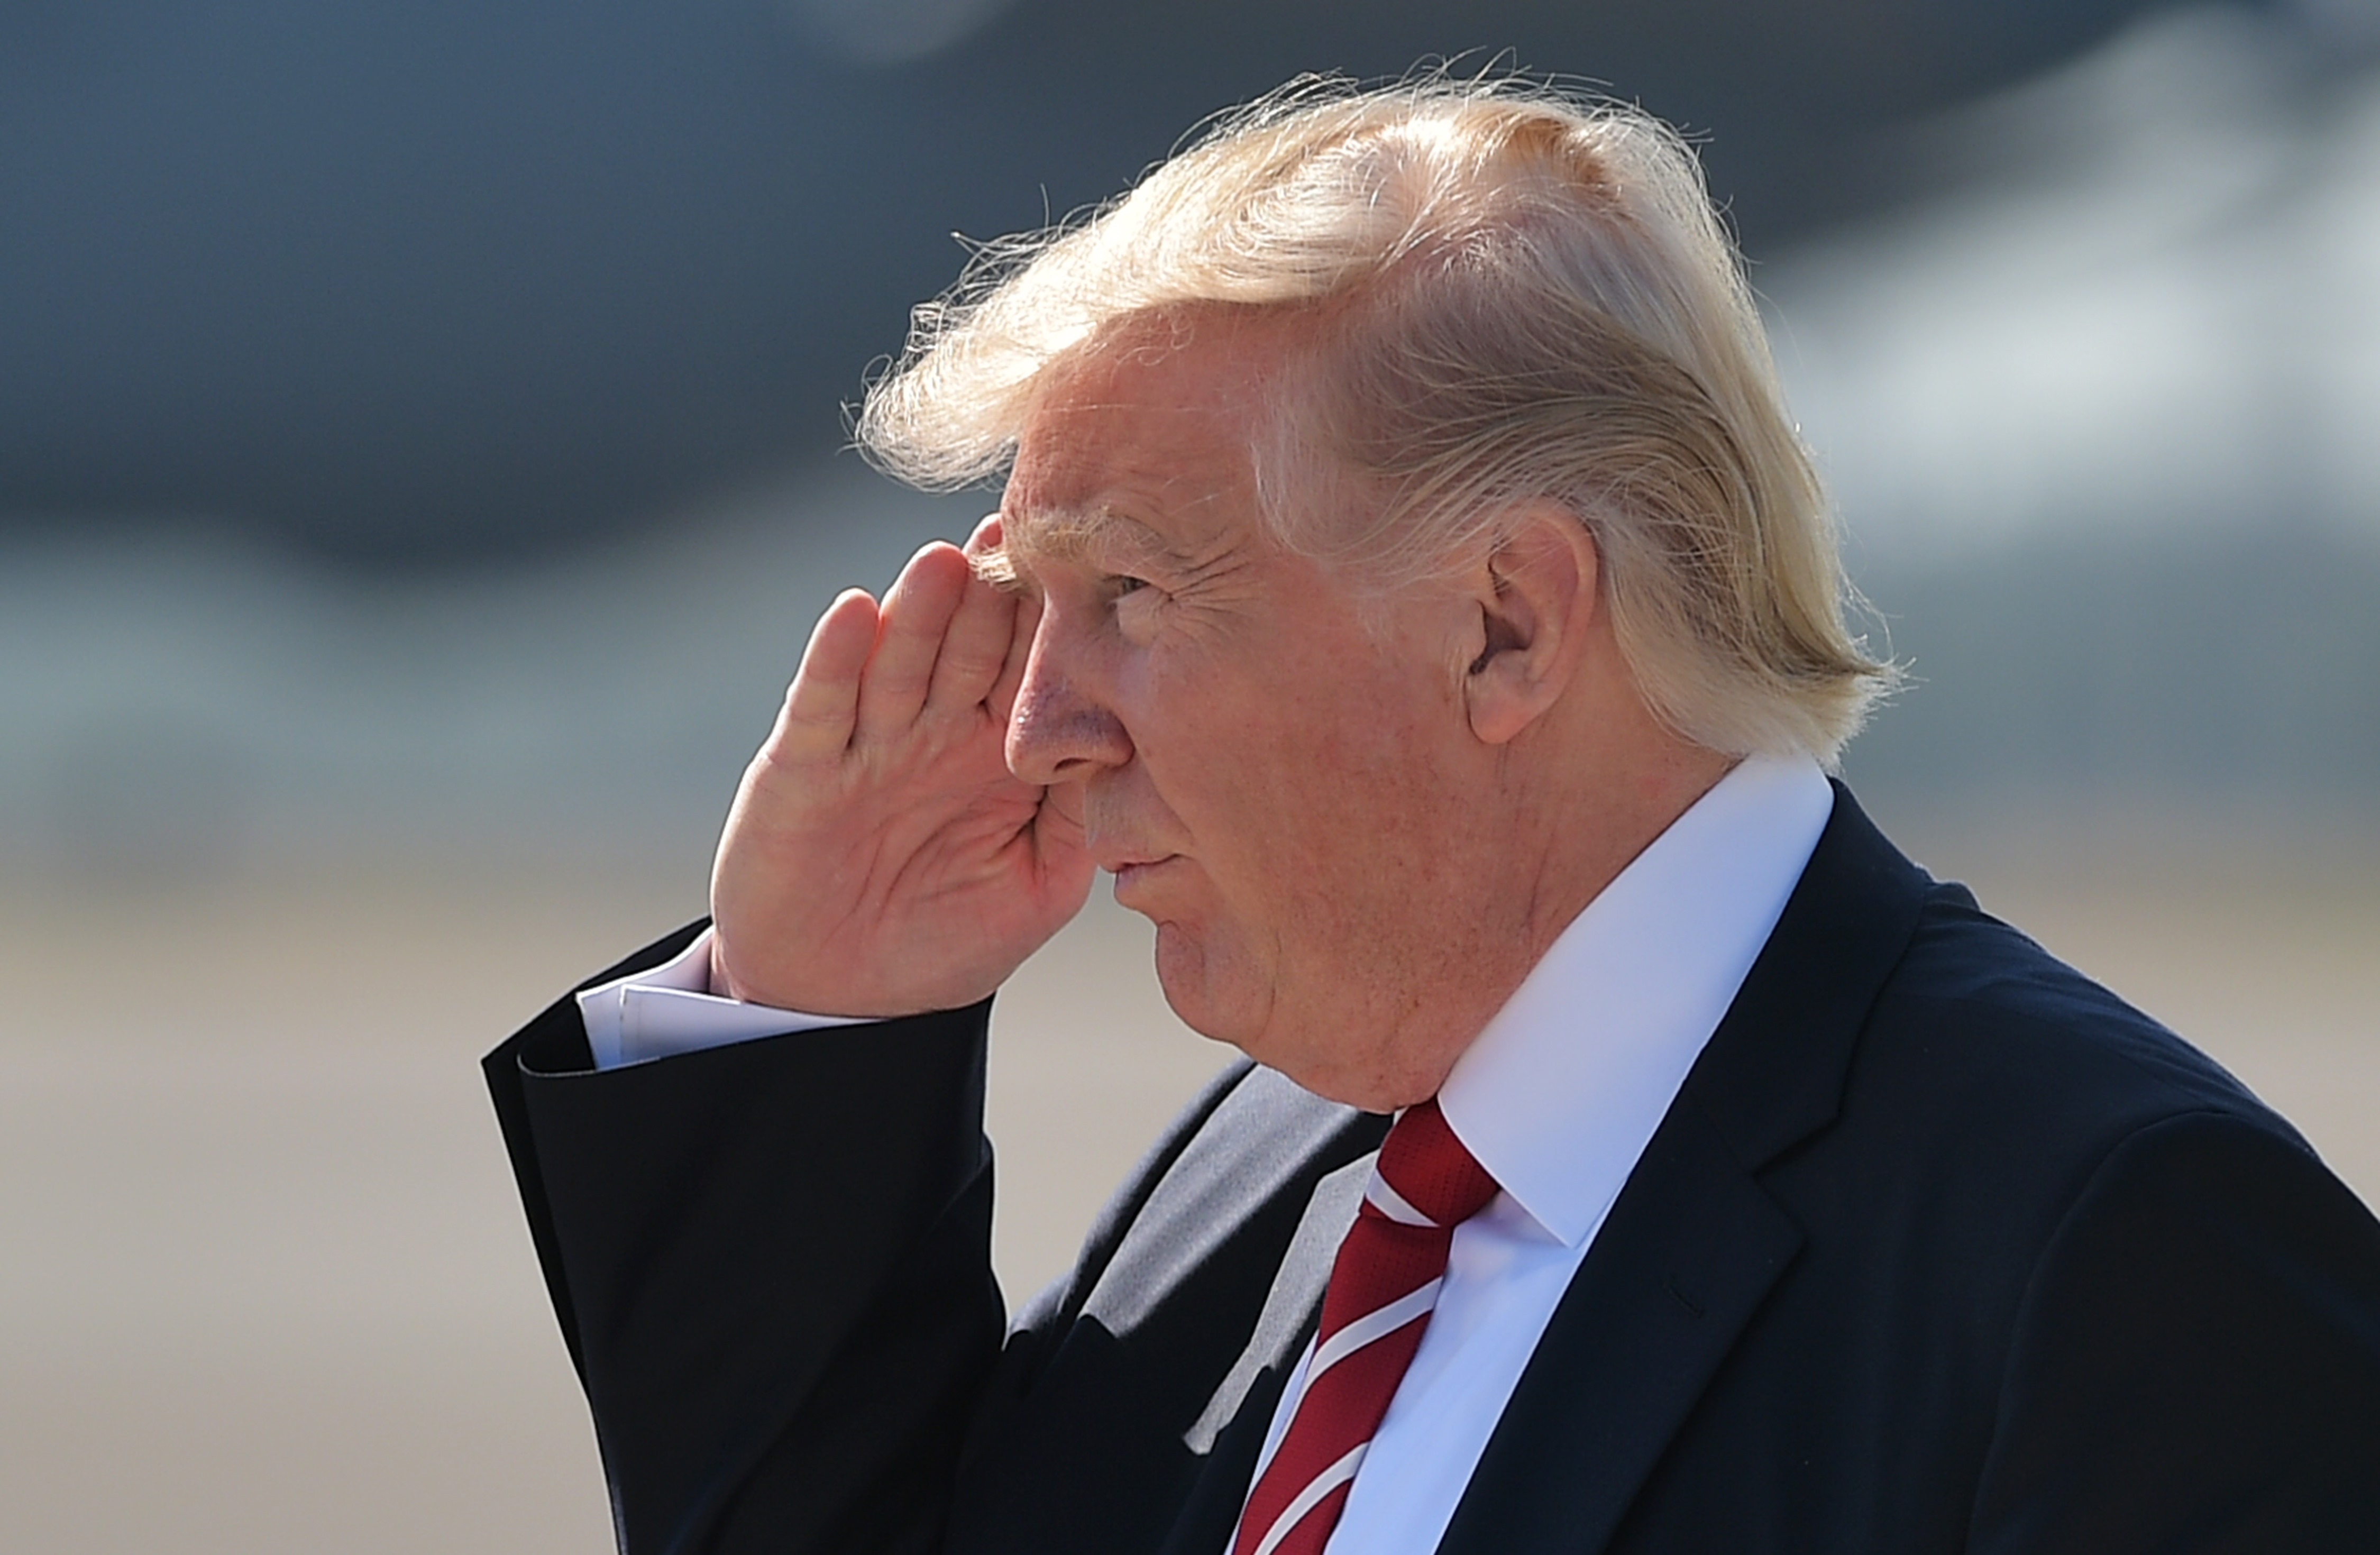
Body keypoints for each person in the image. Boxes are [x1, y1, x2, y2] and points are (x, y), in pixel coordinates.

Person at [484, 76, 2380, 1554]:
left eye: (1131, 592)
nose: (1034, 728)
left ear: (1506, 624)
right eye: (1026, 605)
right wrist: (814, 1017)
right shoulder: (1271, 1164)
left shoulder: (2121, 1255)